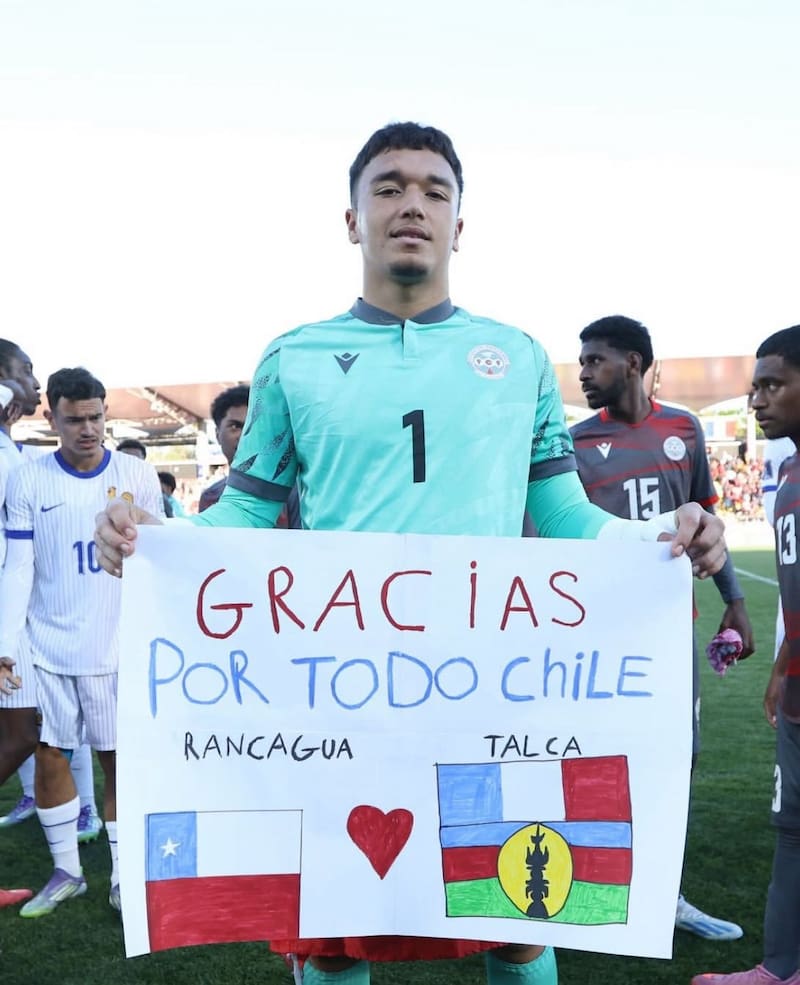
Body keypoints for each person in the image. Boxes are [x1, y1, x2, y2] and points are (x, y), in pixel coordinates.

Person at [94, 122, 727, 985]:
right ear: (352, 218)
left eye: (435, 190)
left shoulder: (517, 359)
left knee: (517, 910)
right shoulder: (292, 357)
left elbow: (564, 513)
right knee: (336, 924)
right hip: (342, 689)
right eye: (388, 187)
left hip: (486, 682)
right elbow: (246, 507)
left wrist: (664, 537)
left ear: (460, 223)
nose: (412, 205)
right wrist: (157, 541)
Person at [571, 315, 754, 942]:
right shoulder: (571, 442)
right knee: (595, 761)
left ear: (633, 361)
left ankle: (664, 894)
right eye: (581, 362)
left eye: (595, 361)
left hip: (671, 633)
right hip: (595, 634)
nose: (585, 373)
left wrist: (735, 601)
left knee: (676, 760)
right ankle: (592, 890)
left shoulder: (684, 428)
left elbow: (707, 522)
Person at [0, 367, 164, 917]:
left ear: (105, 413)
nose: (88, 429)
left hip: (117, 645)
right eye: (74, 419)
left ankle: (122, 875)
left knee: (119, 763)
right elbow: (18, 567)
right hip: (46, 644)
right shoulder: (28, 479)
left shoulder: (138, 476)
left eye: (95, 417)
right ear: (53, 418)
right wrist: (5, 641)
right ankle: (68, 871)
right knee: (50, 757)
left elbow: (163, 560)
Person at [692, 325, 800, 985]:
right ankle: (781, 966)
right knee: (791, 826)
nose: (756, 398)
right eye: (754, 385)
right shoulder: (786, 472)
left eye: (772, 384)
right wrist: (783, 664)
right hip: (797, 690)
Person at [198, 384, 249, 512]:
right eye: (235, 426)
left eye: (252, 426)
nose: (244, 436)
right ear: (217, 435)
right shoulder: (210, 498)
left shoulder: (294, 494)